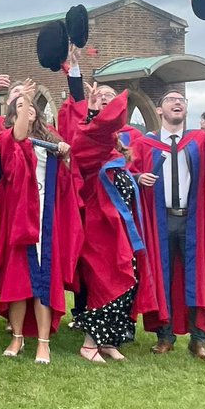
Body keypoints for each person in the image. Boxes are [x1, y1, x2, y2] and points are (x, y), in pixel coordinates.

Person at [130, 90, 205, 361]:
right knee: (162, 276)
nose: (177, 102)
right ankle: (165, 336)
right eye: (170, 99)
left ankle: (199, 339)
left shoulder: (200, 140)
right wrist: (138, 176)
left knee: (198, 277)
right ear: (159, 110)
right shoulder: (146, 144)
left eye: (181, 100)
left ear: (186, 110)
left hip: (193, 219)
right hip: (160, 219)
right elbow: (127, 170)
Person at [68, 88, 157, 362]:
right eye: (100, 94)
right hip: (99, 230)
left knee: (126, 282)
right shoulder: (94, 150)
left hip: (123, 231)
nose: (106, 97)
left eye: (111, 95)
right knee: (105, 283)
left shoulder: (117, 154)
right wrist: (94, 112)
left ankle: (108, 340)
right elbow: (91, 137)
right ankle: (88, 343)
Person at [0, 92, 81, 364]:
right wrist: (25, 100)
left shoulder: (50, 139)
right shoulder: (10, 139)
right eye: (20, 106)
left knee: (45, 281)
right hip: (21, 219)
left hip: (47, 216)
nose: (27, 108)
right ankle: (17, 337)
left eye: (30, 106)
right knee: (18, 280)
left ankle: (43, 343)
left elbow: (67, 181)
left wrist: (65, 156)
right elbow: (17, 139)